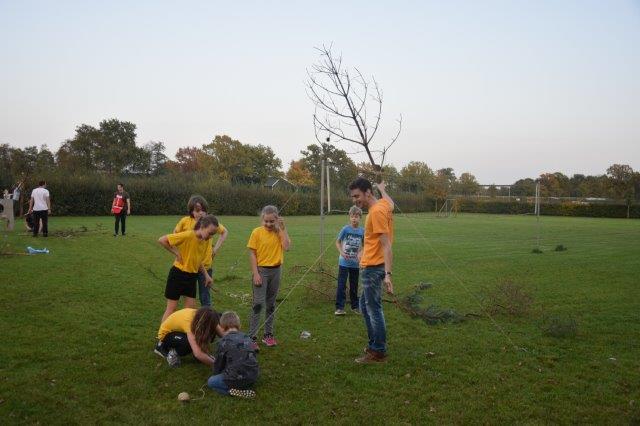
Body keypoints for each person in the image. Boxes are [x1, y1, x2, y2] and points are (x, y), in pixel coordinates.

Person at [348, 178, 394, 364]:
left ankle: (378, 350)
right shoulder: (383, 204)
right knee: (364, 305)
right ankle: (374, 343)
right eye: (353, 197)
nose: (355, 200)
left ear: (368, 192)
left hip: (374, 267)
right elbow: (391, 204)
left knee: (373, 309)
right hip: (371, 263)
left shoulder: (375, 213)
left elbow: (386, 245)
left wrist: (388, 275)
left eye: (357, 196)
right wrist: (383, 189)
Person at [157, 215, 219, 324]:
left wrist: (206, 276)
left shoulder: (205, 241)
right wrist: (176, 253)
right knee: (171, 308)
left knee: (190, 311)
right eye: (210, 233)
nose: (210, 237)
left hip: (191, 277)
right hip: (178, 274)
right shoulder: (188, 235)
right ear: (202, 227)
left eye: (213, 234)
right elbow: (162, 240)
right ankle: (162, 334)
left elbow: (198, 260)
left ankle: (186, 332)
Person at [247, 205, 291, 349]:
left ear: (277, 219)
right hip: (261, 271)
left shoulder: (279, 232)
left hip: (276, 271)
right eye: (266, 221)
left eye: (272, 221)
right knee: (258, 304)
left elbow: (287, 247)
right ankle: (252, 337)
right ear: (262, 219)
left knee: (271, 304)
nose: (269, 224)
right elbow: (252, 253)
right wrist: (255, 273)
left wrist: (283, 229)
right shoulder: (256, 232)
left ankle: (268, 335)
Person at [174, 195, 229, 308]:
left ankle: (207, 317)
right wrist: (179, 252)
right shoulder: (185, 222)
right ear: (191, 211)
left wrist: (215, 249)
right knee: (189, 298)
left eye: (203, 210)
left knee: (205, 298)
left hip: (205, 266)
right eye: (197, 210)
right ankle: (189, 316)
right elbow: (174, 235)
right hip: (190, 267)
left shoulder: (209, 222)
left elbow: (224, 232)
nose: (201, 213)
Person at [208, 311, 259, 398]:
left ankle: (232, 391)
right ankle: (244, 387)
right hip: (252, 377)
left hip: (235, 379)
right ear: (239, 326)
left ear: (222, 327)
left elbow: (219, 365)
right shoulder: (247, 337)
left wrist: (216, 374)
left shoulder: (223, 342)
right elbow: (253, 354)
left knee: (211, 381)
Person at [154, 307, 221, 367]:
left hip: (179, 332)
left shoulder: (200, 316)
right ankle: (169, 352)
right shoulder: (189, 323)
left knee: (195, 343)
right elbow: (198, 354)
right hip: (166, 335)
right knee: (188, 343)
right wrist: (216, 364)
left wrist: (207, 356)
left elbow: (220, 331)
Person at [334, 205, 364, 316]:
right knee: (341, 285)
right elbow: (338, 242)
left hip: (355, 263)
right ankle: (339, 308)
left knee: (354, 285)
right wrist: (341, 252)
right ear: (349, 217)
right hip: (344, 262)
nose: (354, 219)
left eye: (356, 216)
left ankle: (355, 306)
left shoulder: (362, 231)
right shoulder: (345, 229)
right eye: (352, 216)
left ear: (360, 218)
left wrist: (361, 253)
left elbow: (366, 245)